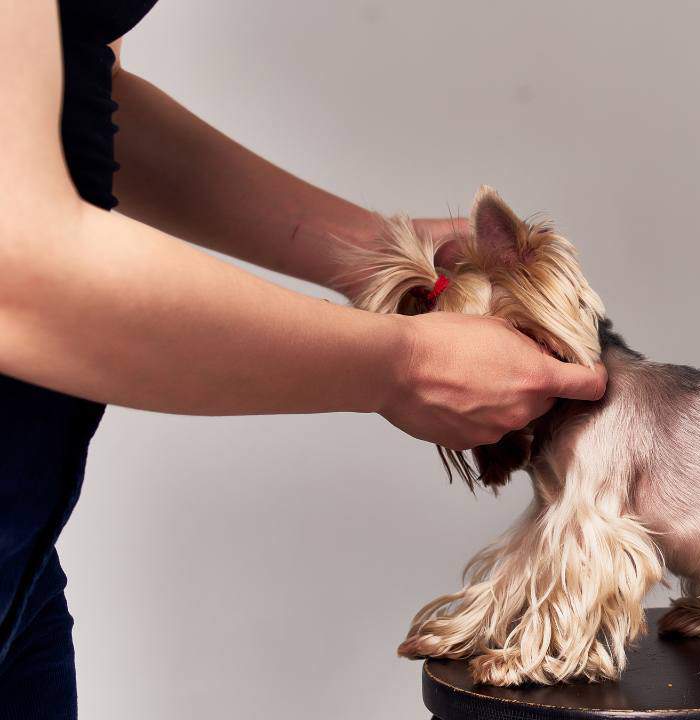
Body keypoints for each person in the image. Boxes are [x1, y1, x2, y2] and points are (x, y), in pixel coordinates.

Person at [0, 1, 607, 715]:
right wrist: (401, 366)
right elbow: (19, 267)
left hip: (25, 537)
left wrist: (369, 249)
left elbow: (74, 92)